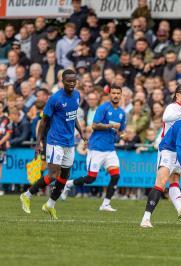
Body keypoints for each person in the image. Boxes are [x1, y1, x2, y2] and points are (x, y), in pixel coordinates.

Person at [19, 69, 85, 219]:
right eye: (69, 81)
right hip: (55, 141)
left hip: (69, 142)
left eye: (74, 80)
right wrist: (38, 143)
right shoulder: (55, 99)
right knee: (54, 175)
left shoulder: (76, 95)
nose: (72, 83)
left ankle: (49, 205)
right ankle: (27, 195)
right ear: (62, 81)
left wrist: (81, 133)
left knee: (65, 175)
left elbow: (73, 117)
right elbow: (43, 122)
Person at [61, 85, 126, 211]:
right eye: (114, 93)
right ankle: (68, 184)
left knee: (116, 176)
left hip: (110, 150)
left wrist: (123, 135)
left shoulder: (122, 113)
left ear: (121, 94)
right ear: (110, 94)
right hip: (96, 148)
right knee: (91, 178)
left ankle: (105, 204)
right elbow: (94, 125)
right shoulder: (103, 108)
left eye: (118, 93)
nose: (116, 95)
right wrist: (111, 125)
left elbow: (121, 130)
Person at [156, 85, 181, 218]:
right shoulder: (172, 107)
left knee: (175, 179)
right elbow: (166, 118)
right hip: (167, 149)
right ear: (177, 95)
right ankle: (147, 215)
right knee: (161, 183)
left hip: (178, 149)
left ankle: (180, 210)